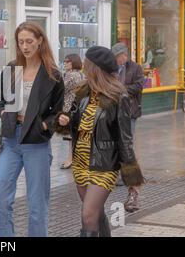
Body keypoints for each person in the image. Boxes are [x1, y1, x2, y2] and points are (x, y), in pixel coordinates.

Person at [55, 46, 145, 237]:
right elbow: (72, 122)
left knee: (88, 214)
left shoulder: (118, 97)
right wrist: (64, 120)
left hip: (104, 164)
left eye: (87, 65)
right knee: (95, 213)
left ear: (95, 68)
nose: (84, 68)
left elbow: (125, 138)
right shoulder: (82, 93)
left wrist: (131, 176)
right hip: (80, 163)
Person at [0, 21, 65, 237]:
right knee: (0, 195)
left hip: (36, 143)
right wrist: (4, 113)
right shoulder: (11, 69)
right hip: (10, 140)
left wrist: (45, 125)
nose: (25, 46)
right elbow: (0, 101)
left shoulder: (53, 75)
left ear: (40, 41)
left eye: (29, 41)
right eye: (21, 42)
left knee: (37, 204)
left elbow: (58, 111)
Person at [112, 42, 145, 213]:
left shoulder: (135, 67)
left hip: (130, 112)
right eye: (116, 57)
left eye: (120, 57)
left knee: (127, 144)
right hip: (114, 111)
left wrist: (121, 89)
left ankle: (129, 179)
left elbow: (139, 86)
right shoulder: (111, 68)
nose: (119, 60)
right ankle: (117, 174)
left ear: (125, 55)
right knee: (115, 143)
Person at [60, 54, 84, 170]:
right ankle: (75, 159)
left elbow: (61, 90)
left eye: (67, 61)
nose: (65, 63)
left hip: (69, 107)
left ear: (73, 62)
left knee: (70, 136)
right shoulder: (81, 74)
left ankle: (70, 159)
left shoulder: (70, 75)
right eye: (64, 61)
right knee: (74, 135)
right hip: (78, 107)